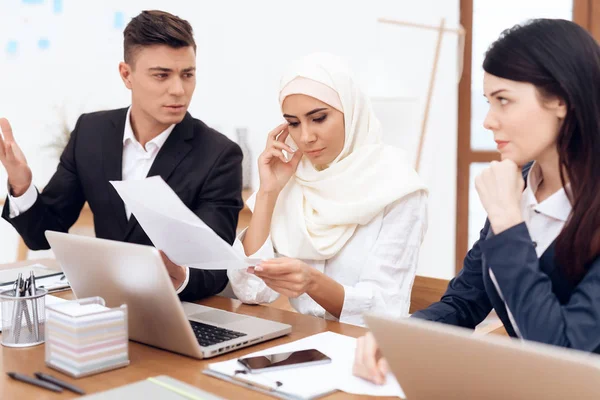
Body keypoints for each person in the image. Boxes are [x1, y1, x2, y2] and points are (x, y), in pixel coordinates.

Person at [353, 18, 600, 384]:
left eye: (504, 101)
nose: (488, 121)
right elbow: (465, 302)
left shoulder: (511, 202)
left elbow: (564, 353)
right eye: (488, 102)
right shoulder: (518, 184)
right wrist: (399, 335)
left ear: (561, 99)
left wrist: (507, 221)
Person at [0, 10, 243, 301]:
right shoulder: (90, 132)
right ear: (126, 75)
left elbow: (215, 270)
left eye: (187, 75)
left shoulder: (220, 155)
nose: (178, 90)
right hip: (105, 307)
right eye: (161, 75)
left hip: (180, 310)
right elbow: (42, 235)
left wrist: (179, 275)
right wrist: (23, 186)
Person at [227, 53, 428, 326]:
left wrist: (313, 282)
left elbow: (383, 311)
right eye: (294, 123)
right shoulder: (294, 182)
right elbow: (251, 291)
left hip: (366, 350)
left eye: (319, 118)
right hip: (302, 342)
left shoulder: (396, 186)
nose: (306, 137)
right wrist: (267, 193)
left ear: (351, 112)